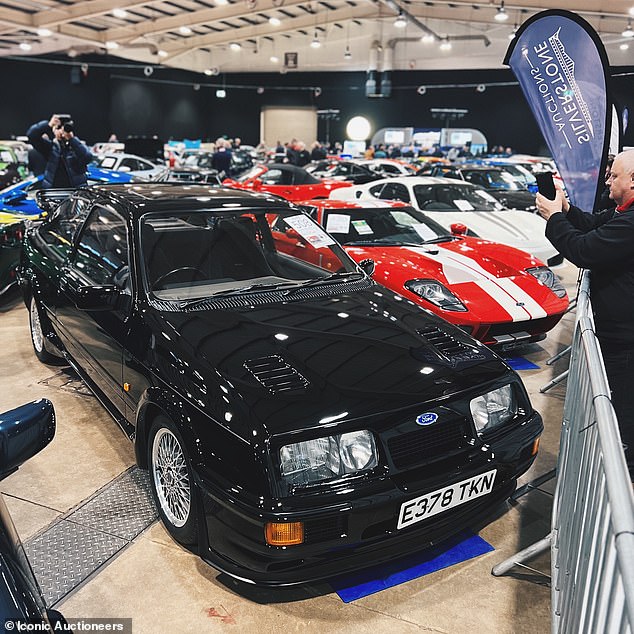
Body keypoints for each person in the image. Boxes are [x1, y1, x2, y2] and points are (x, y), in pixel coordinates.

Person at [535, 149, 634, 480]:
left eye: (614, 175)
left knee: (624, 415)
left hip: (626, 343)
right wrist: (565, 210)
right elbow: (592, 226)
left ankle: (623, 480)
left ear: (633, 180)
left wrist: (553, 218)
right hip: (619, 335)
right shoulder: (623, 213)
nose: (607, 179)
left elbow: (584, 250)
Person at [27, 114, 92, 188]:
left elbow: (87, 158)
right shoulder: (50, 148)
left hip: (75, 193)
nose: (61, 131)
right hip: (53, 193)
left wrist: (72, 139)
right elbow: (31, 135)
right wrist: (48, 124)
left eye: (64, 129)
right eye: (58, 128)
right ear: (53, 130)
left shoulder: (77, 146)